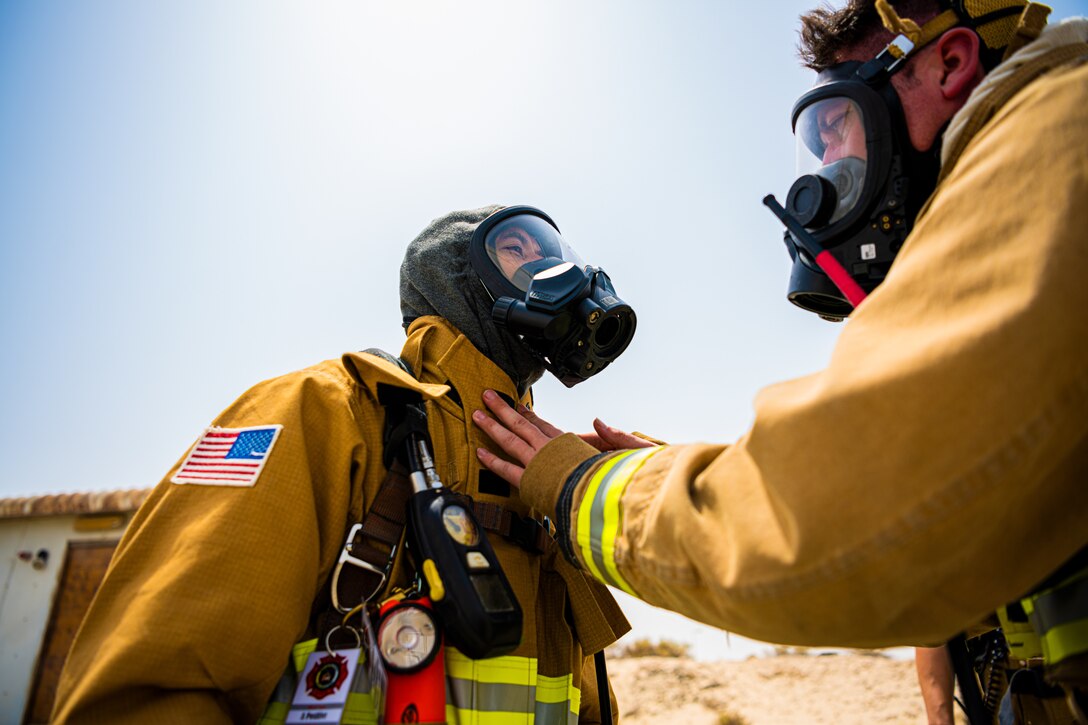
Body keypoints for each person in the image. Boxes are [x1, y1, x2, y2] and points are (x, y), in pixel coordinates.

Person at [471, 0, 1088, 717]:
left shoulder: (1051, 129)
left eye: (836, 129)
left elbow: (843, 526)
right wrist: (694, 472)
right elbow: (966, 509)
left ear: (950, 65)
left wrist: (583, 487)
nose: (825, 170)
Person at [52, 205, 636, 724]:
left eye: (552, 253)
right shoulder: (317, 409)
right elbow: (158, 685)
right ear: (460, 280)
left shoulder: (548, 473)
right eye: (517, 250)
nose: (549, 268)